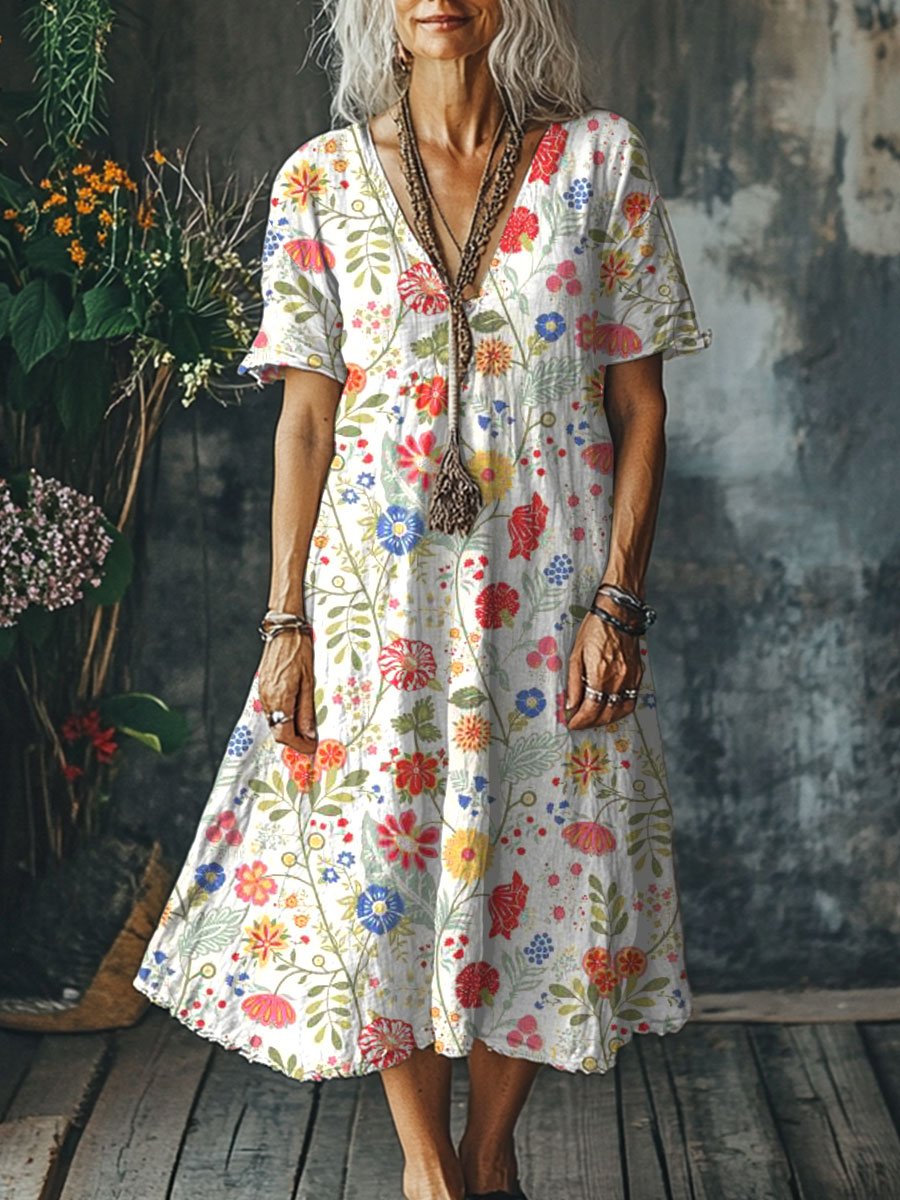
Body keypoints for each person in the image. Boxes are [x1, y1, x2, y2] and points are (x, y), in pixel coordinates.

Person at [133, 2, 712, 1198]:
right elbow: (305, 422)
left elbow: (640, 407)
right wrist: (286, 624)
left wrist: (619, 601)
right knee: (381, 871)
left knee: (543, 861)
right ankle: (428, 1169)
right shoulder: (320, 180)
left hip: (549, 596)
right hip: (375, 604)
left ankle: (488, 1162)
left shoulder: (597, 161)